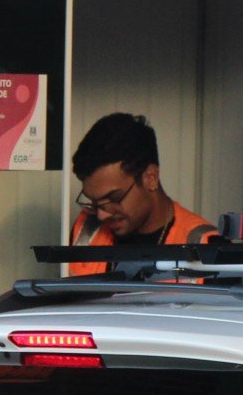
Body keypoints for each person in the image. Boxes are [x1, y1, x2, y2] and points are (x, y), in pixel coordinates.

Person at [67, 113, 215, 276]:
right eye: (94, 202)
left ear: (150, 178)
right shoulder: (85, 229)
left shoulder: (207, 245)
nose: (101, 215)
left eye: (114, 198)